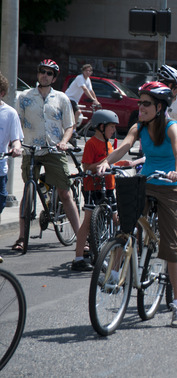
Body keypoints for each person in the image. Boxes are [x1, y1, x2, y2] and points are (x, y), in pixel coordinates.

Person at [96, 81, 177, 327]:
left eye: (145, 103)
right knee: (125, 224)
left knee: (170, 245)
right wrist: (106, 162)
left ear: (159, 107)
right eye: (139, 102)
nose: (140, 107)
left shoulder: (171, 126)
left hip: (170, 187)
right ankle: (115, 275)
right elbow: (124, 146)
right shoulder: (139, 127)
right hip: (146, 182)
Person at [13, 60, 83, 267]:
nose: (44, 75)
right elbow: (17, 122)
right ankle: (21, 237)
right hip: (31, 149)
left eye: (49, 73)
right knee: (28, 192)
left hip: (54, 149)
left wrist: (63, 142)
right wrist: (16, 144)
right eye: (42, 71)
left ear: (54, 77)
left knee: (65, 193)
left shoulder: (61, 98)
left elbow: (69, 126)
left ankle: (81, 237)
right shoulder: (25, 97)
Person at [74, 110, 120, 264]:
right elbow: (87, 166)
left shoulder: (109, 144)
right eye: (111, 127)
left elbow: (113, 163)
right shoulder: (91, 143)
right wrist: (101, 165)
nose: (114, 130)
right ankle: (79, 257)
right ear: (101, 126)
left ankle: (114, 252)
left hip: (108, 186)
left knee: (115, 218)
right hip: (92, 186)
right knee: (87, 221)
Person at [0, 72, 24, 217]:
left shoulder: (10, 113)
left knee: (2, 199)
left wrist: (16, 148)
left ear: (2, 93)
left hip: (1, 167)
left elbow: (16, 138)